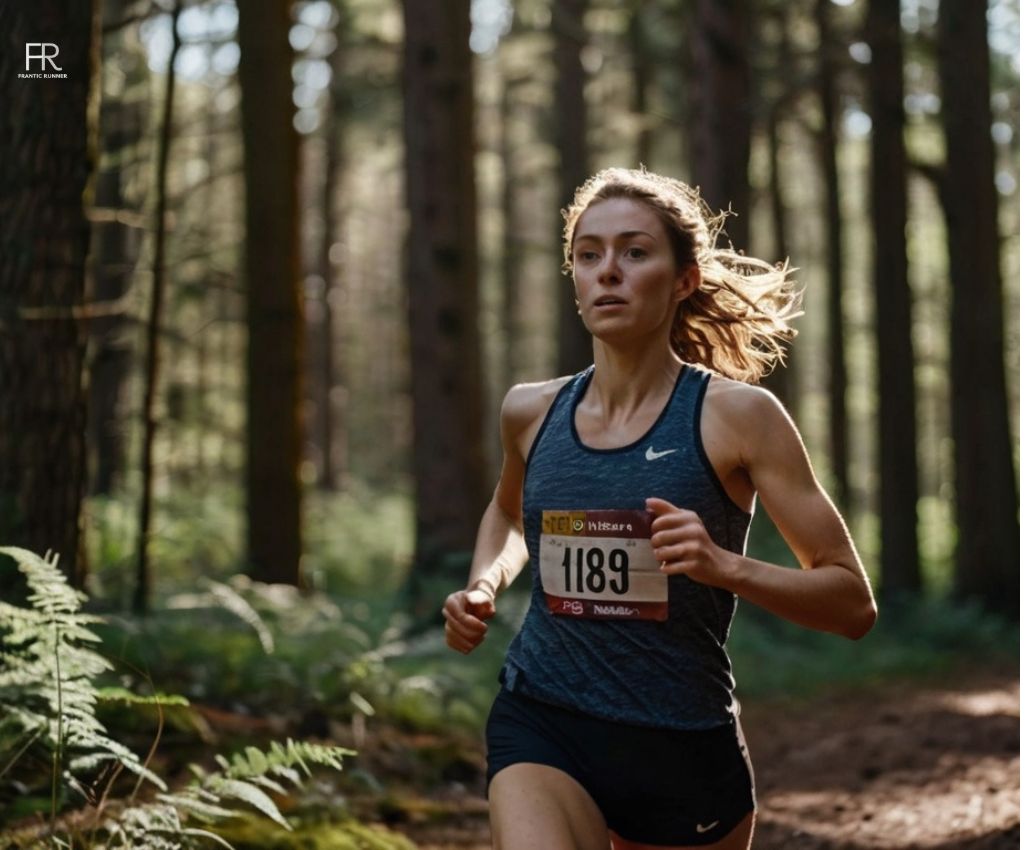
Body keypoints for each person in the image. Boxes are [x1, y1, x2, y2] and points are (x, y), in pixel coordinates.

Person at [442, 167, 877, 850]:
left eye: (634, 252)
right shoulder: (530, 410)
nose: (607, 271)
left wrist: (723, 566)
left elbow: (852, 603)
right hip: (545, 714)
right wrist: (484, 582)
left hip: (681, 745)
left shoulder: (738, 418)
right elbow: (509, 514)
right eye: (589, 255)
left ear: (684, 280)